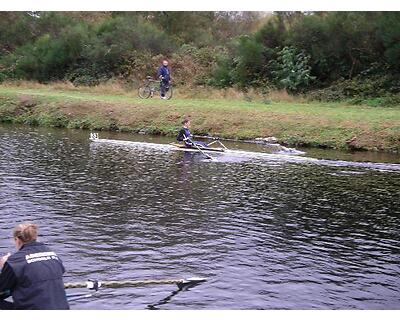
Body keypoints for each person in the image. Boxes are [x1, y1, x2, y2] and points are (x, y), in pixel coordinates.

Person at [0, 223, 69, 310]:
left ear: (17, 240)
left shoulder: (14, 262)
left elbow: (2, 289)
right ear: (36, 237)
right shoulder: (53, 254)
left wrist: (4, 267)